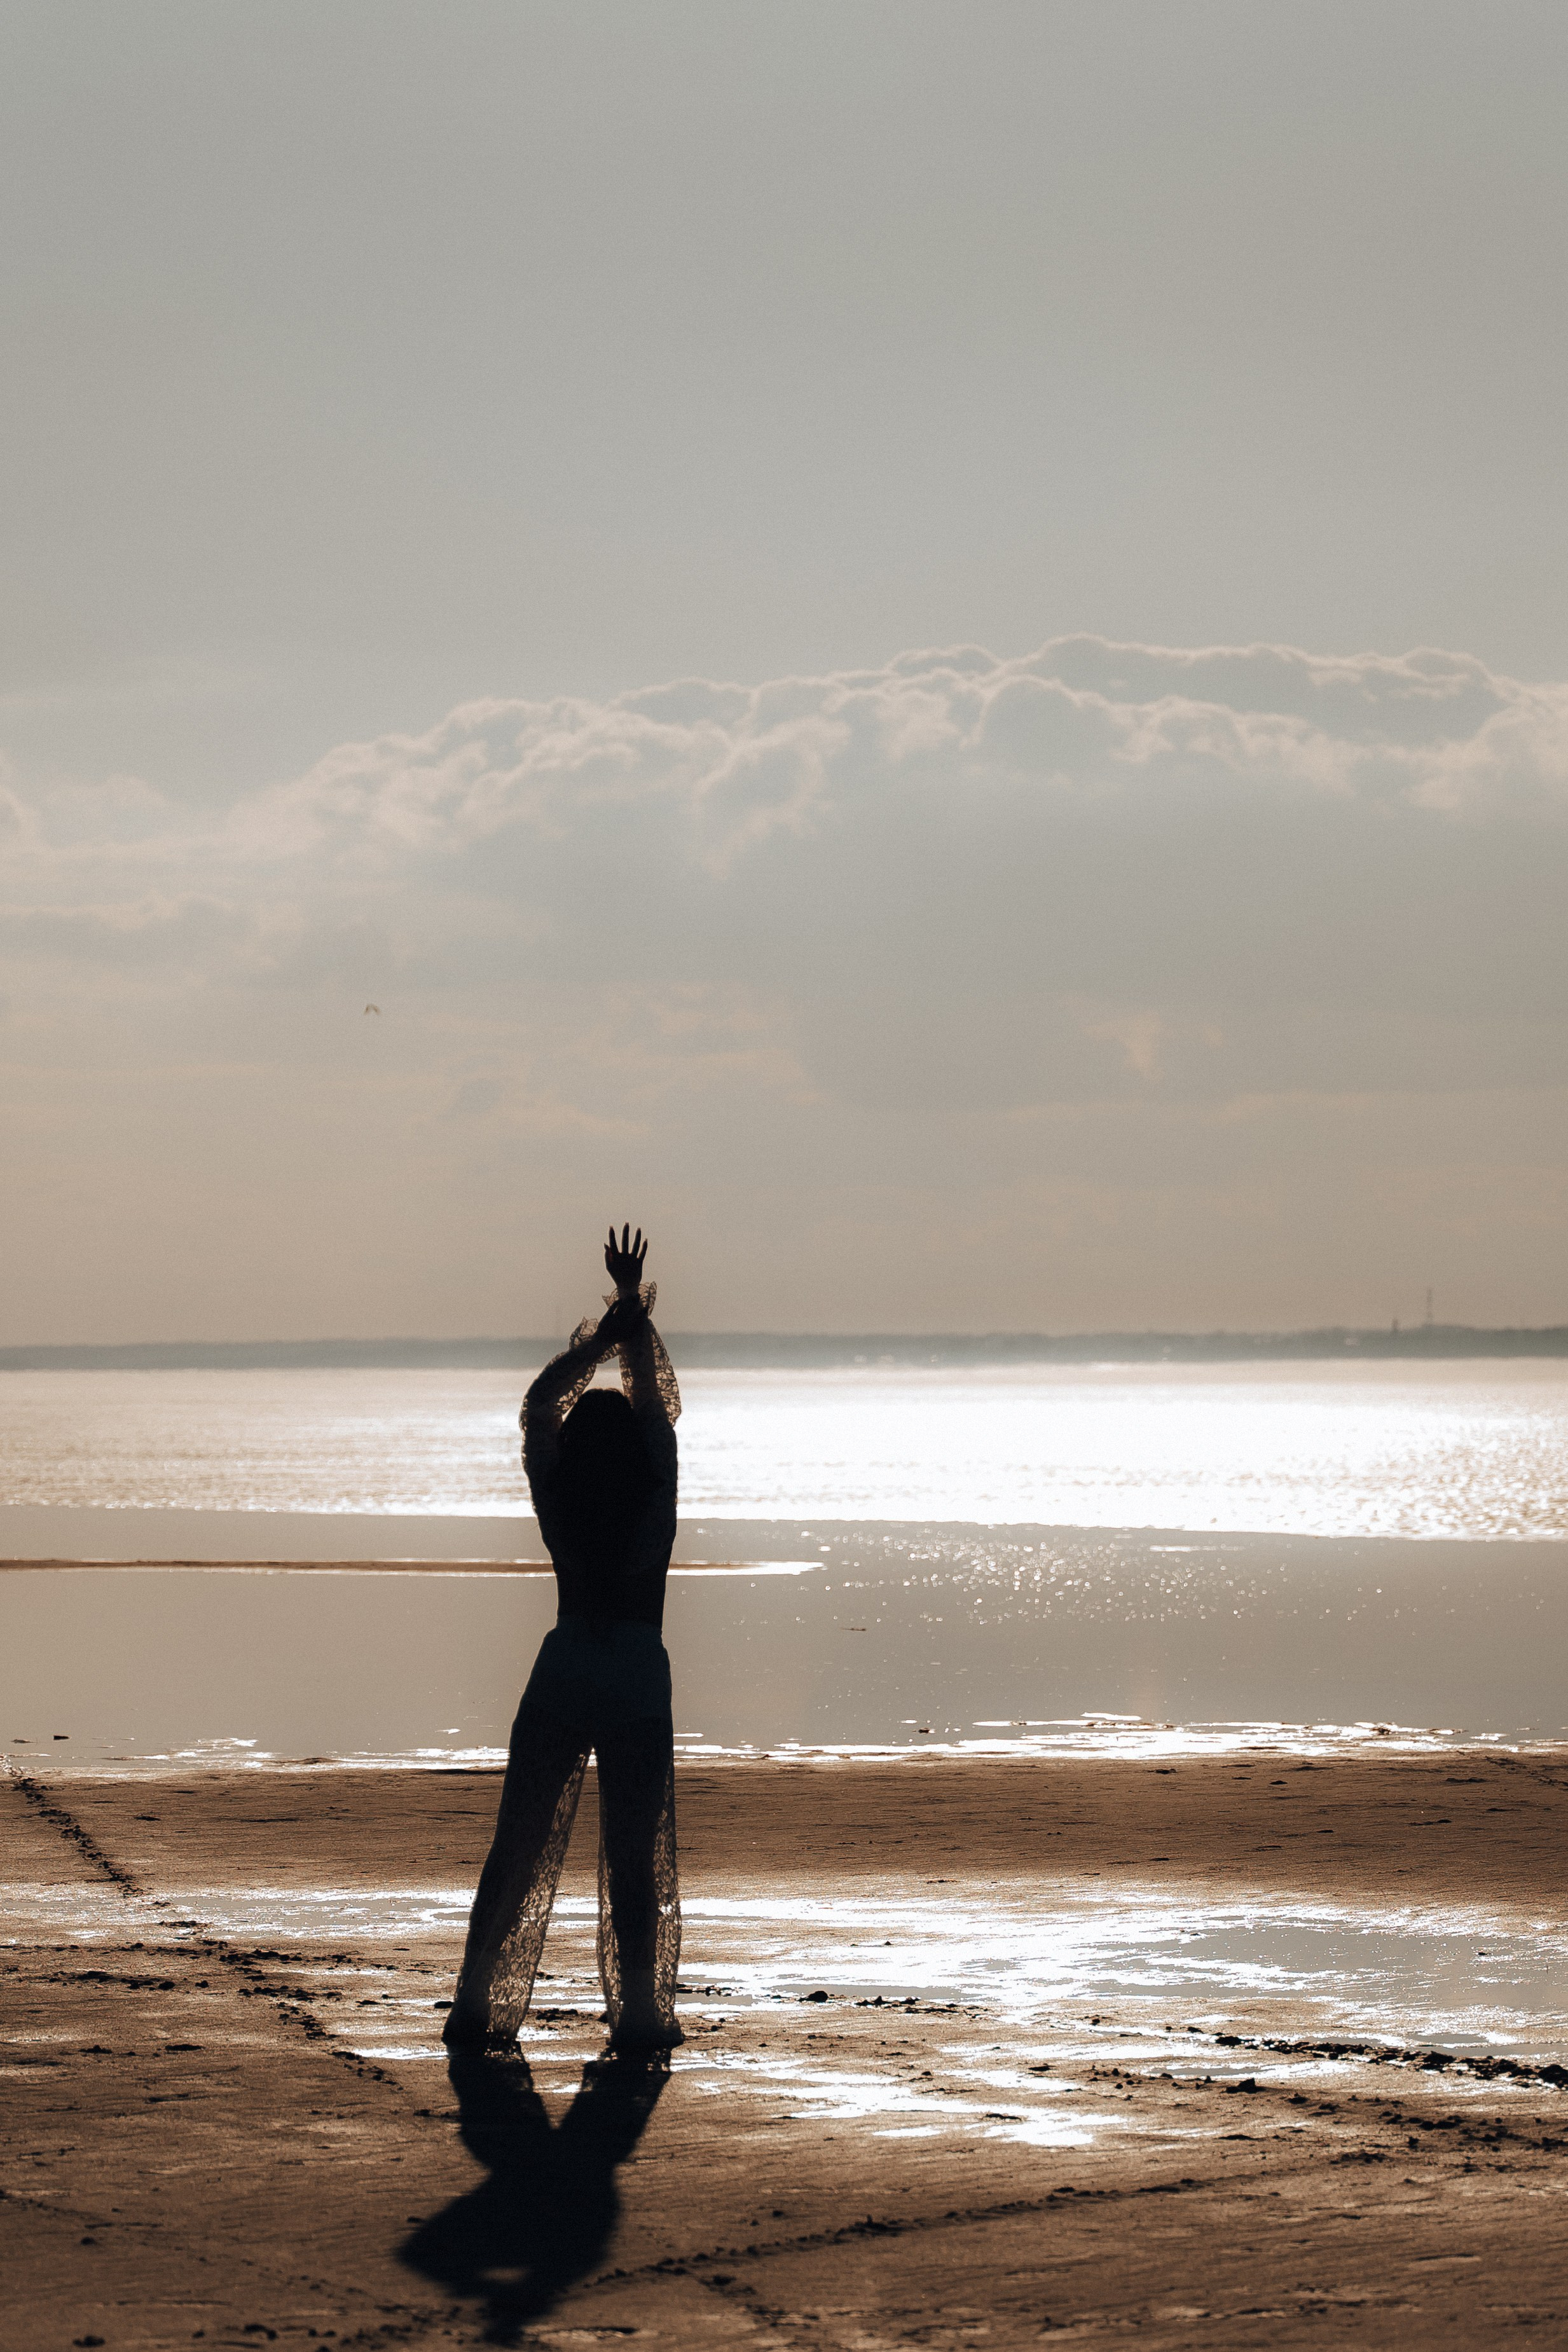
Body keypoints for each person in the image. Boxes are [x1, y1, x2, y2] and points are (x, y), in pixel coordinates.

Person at [444, 1225, 683, 2053]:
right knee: (631, 1861)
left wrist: (603, 1337)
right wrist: (627, 1310)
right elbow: (655, 1407)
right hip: (633, 1672)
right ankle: (642, 2015)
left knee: (521, 1842)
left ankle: (476, 2004)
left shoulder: (560, 1494)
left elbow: (539, 1405)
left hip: (567, 1661)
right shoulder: (654, 1496)